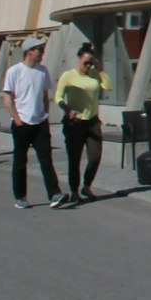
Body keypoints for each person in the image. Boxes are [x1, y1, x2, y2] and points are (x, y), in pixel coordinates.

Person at [3, 36, 68, 209]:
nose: (42, 53)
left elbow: (45, 95)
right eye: (39, 50)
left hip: (40, 122)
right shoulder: (15, 71)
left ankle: (55, 193)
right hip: (22, 123)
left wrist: (45, 113)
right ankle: (20, 196)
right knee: (20, 161)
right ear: (29, 51)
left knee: (46, 159)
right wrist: (17, 120)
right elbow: (7, 99)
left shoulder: (43, 71)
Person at [53, 43, 109, 202]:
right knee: (74, 158)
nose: (88, 66)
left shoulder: (94, 75)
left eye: (91, 63)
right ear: (79, 60)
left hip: (92, 121)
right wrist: (67, 109)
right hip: (75, 122)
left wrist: (100, 69)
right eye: (86, 63)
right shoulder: (68, 76)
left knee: (95, 156)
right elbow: (58, 96)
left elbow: (109, 86)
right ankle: (74, 190)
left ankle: (87, 185)